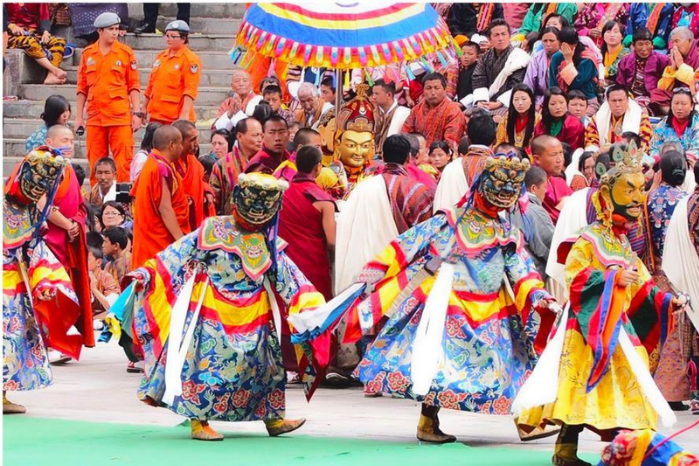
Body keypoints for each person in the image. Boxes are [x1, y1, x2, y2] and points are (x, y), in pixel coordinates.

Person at [336, 149, 558, 444]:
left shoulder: (507, 231)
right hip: (451, 303)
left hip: (494, 307)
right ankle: (428, 421)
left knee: (514, 362)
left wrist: (538, 294)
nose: (504, 194)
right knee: (438, 363)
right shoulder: (450, 221)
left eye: (510, 189)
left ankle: (527, 421)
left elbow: (522, 269)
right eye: (500, 187)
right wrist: (374, 273)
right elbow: (408, 243)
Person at [516, 142, 686, 466]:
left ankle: (630, 450)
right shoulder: (589, 238)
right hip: (585, 327)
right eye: (629, 190)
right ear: (608, 195)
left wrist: (666, 300)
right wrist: (611, 278)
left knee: (627, 385)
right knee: (579, 389)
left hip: (617, 327)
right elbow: (575, 276)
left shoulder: (621, 243)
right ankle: (566, 450)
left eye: (640, 189)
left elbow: (643, 284)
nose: (637, 198)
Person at [128, 172, 325, 441]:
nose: (257, 211)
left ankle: (273, 417)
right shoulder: (213, 229)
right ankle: (199, 421)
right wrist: (147, 272)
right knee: (204, 367)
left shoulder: (268, 239)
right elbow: (177, 254)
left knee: (266, 367)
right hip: (212, 307)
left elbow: (289, 276)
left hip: (256, 309)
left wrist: (312, 304)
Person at [3, 148, 80, 414]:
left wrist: (45, 282)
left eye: (45, 184)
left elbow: (36, 252)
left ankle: (2, 393)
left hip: (16, 286)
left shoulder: (33, 215)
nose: (38, 188)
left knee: (13, 340)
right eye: (36, 180)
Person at [646, 151, 691, 410]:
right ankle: (671, 393)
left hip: (651, 274)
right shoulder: (685, 201)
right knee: (676, 332)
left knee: (653, 330)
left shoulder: (645, 199)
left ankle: (648, 388)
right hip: (678, 274)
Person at [43, 126, 95, 352]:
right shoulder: (43, 168)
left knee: (68, 290)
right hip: (48, 240)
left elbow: (80, 205)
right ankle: (50, 341)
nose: (69, 145)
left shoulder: (70, 170)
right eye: (64, 140)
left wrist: (75, 223)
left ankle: (62, 340)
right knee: (51, 289)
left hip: (67, 241)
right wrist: (67, 225)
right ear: (49, 142)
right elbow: (42, 205)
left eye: (72, 141)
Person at [76, 12, 141, 184]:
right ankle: (98, 198)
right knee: (96, 163)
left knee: (123, 163)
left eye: (117, 29)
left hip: (119, 117)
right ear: (100, 30)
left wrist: (137, 113)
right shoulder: (88, 54)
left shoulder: (125, 53)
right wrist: (79, 117)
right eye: (111, 29)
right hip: (95, 117)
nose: (115, 32)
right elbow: (82, 88)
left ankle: (122, 199)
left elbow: (134, 85)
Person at [279, 146, 337, 301]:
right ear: (318, 167)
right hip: (314, 265)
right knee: (316, 305)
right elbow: (332, 242)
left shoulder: (281, 193)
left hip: (286, 263)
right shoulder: (323, 200)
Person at [131, 125, 191, 269]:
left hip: (149, 236)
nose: (182, 148)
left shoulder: (153, 162)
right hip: (158, 241)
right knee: (158, 279)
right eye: (180, 144)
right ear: (172, 145)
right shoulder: (160, 168)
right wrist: (181, 242)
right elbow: (165, 208)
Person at [433, 109, 497, 213]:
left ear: (468, 140)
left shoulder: (451, 168)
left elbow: (440, 210)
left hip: (454, 223)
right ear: (495, 140)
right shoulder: (499, 168)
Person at [144, 21, 201, 125]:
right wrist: (144, 107)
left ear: (183, 39)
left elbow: (190, 89)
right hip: (156, 115)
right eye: (167, 35)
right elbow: (151, 85)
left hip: (175, 117)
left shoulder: (190, 60)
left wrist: (184, 115)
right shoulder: (161, 57)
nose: (168, 39)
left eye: (173, 36)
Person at [471, 19, 530, 115]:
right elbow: (479, 79)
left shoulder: (519, 57)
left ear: (509, 36)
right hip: (487, 101)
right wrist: (481, 100)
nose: (500, 38)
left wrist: (499, 103)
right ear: (489, 39)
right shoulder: (485, 58)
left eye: (504, 34)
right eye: (496, 35)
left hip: (509, 103)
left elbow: (517, 85)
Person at [209, 118, 263, 215]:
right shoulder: (222, 165)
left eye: (261, 135)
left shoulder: (266, 163)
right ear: (240, 136)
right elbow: (214, 200)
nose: (260, 140)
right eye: (255, 135)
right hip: (230, 221)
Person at [5, 3, 67, 84]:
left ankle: (51, 76)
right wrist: (11, 26)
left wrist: (45, 31)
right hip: (11, 34)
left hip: (34, 32)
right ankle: (54, 69)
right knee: (30, 42)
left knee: (59, 41)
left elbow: (44, 16)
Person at [511, 165, 555, 279]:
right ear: (534, 188)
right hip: (530, 277)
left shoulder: (511, 206)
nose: (546, 191)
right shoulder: (534, 211)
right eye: (544, 187)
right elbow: (552, 245)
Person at [401, 72, 465, 151]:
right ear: (423, 90)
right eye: (428, 88)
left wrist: (431, 154)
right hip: (416, 154)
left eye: (436, 88)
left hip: (441, 155)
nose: (432, 92)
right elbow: (406, 133)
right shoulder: (416, 109)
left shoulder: (454, 111)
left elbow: (451, 142)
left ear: (445, 90)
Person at [616, 27, 671, 114]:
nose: (644, 48)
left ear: (652, 45)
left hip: (653, 98)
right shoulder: (625, 61)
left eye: (647, 44)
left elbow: (670, 80)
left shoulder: (663, 60)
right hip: (631, 96)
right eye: (640, 44)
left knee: (642, 110)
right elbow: (620, 83)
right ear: (633, 45)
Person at [172, 120, 215, 231]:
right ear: (180, 142)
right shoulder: (169, 164)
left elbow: (200, 181)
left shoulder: (192, 160)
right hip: (177, 222)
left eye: (196, 138)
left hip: (196, 217)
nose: (196, 144)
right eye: (192, 140)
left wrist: (207, 190)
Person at [585, 85, 652, 153]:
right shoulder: (597, 118)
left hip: (630, 157)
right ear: (608, 101)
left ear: (627, 100)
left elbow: (644, 145)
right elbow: (591, 143)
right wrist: (598, 152)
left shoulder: (641, 118)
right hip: (602, 156)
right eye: (614, 101)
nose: (617, 104)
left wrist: (613, 149)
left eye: (620, 100)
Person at [549, 27, 600, 116]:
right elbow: (553, 84)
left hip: (586, 101)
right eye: (562, 45)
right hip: (562, 102)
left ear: (575, 44)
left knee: (577, 120)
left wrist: (568, 61)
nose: (564, 49)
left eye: (567, 45)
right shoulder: (556, 57)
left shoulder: (587, 59)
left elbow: (575, 83)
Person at [654, 27, 699, 115]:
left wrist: (681, 65)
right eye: (672, 42)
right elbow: (663, 88)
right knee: (657, 93)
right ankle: (672, 115)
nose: (674, 46)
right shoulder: (676, 56)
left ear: (689, 41)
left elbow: (696, 83)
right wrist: (673, 68)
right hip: (679, 93)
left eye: (677, 41)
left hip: (693, 93)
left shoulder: (697, 53)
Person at [532, 135, 573, 223]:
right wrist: (562, 208)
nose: (560, 160)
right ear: (537, 159)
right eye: (553, 154)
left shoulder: (559, 182)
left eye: (561, 153)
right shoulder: (530, 184)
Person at [650, 88, 699, 161]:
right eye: (676, 103)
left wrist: (679, 160)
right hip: (664, 163)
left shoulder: (697, 123)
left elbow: (696, 150)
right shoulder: (663, 124)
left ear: (692, 106)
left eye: (684, 104)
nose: (679, 108)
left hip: (689, 164)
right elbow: (654, 148)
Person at [524, 27, 561, 109]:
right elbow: (529, 82)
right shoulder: (537, 57)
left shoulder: (565, 56)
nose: (548, 44)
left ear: (559, 41)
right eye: (545, 41)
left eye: (551, 41)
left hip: (561, 98)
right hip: (539, 98)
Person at [372, 79, 411, 157]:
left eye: (377, 94)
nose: (373, 97)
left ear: (389, 95)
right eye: (373, 93)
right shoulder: (372, 112)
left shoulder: (404, 113)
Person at [495, 83, 538, 152]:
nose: (520, 103)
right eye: (516, 99)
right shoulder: (506, 119)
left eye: (524, 99)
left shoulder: (538, 120)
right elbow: (500, 144)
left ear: (531, 101)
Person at [87, 246, 120, 321]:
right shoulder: (78, 277)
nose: (83, 262)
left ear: (98, 262)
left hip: (101, 319)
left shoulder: (106, 278)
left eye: (87, 259)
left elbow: (112, 308)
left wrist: (94, 289)